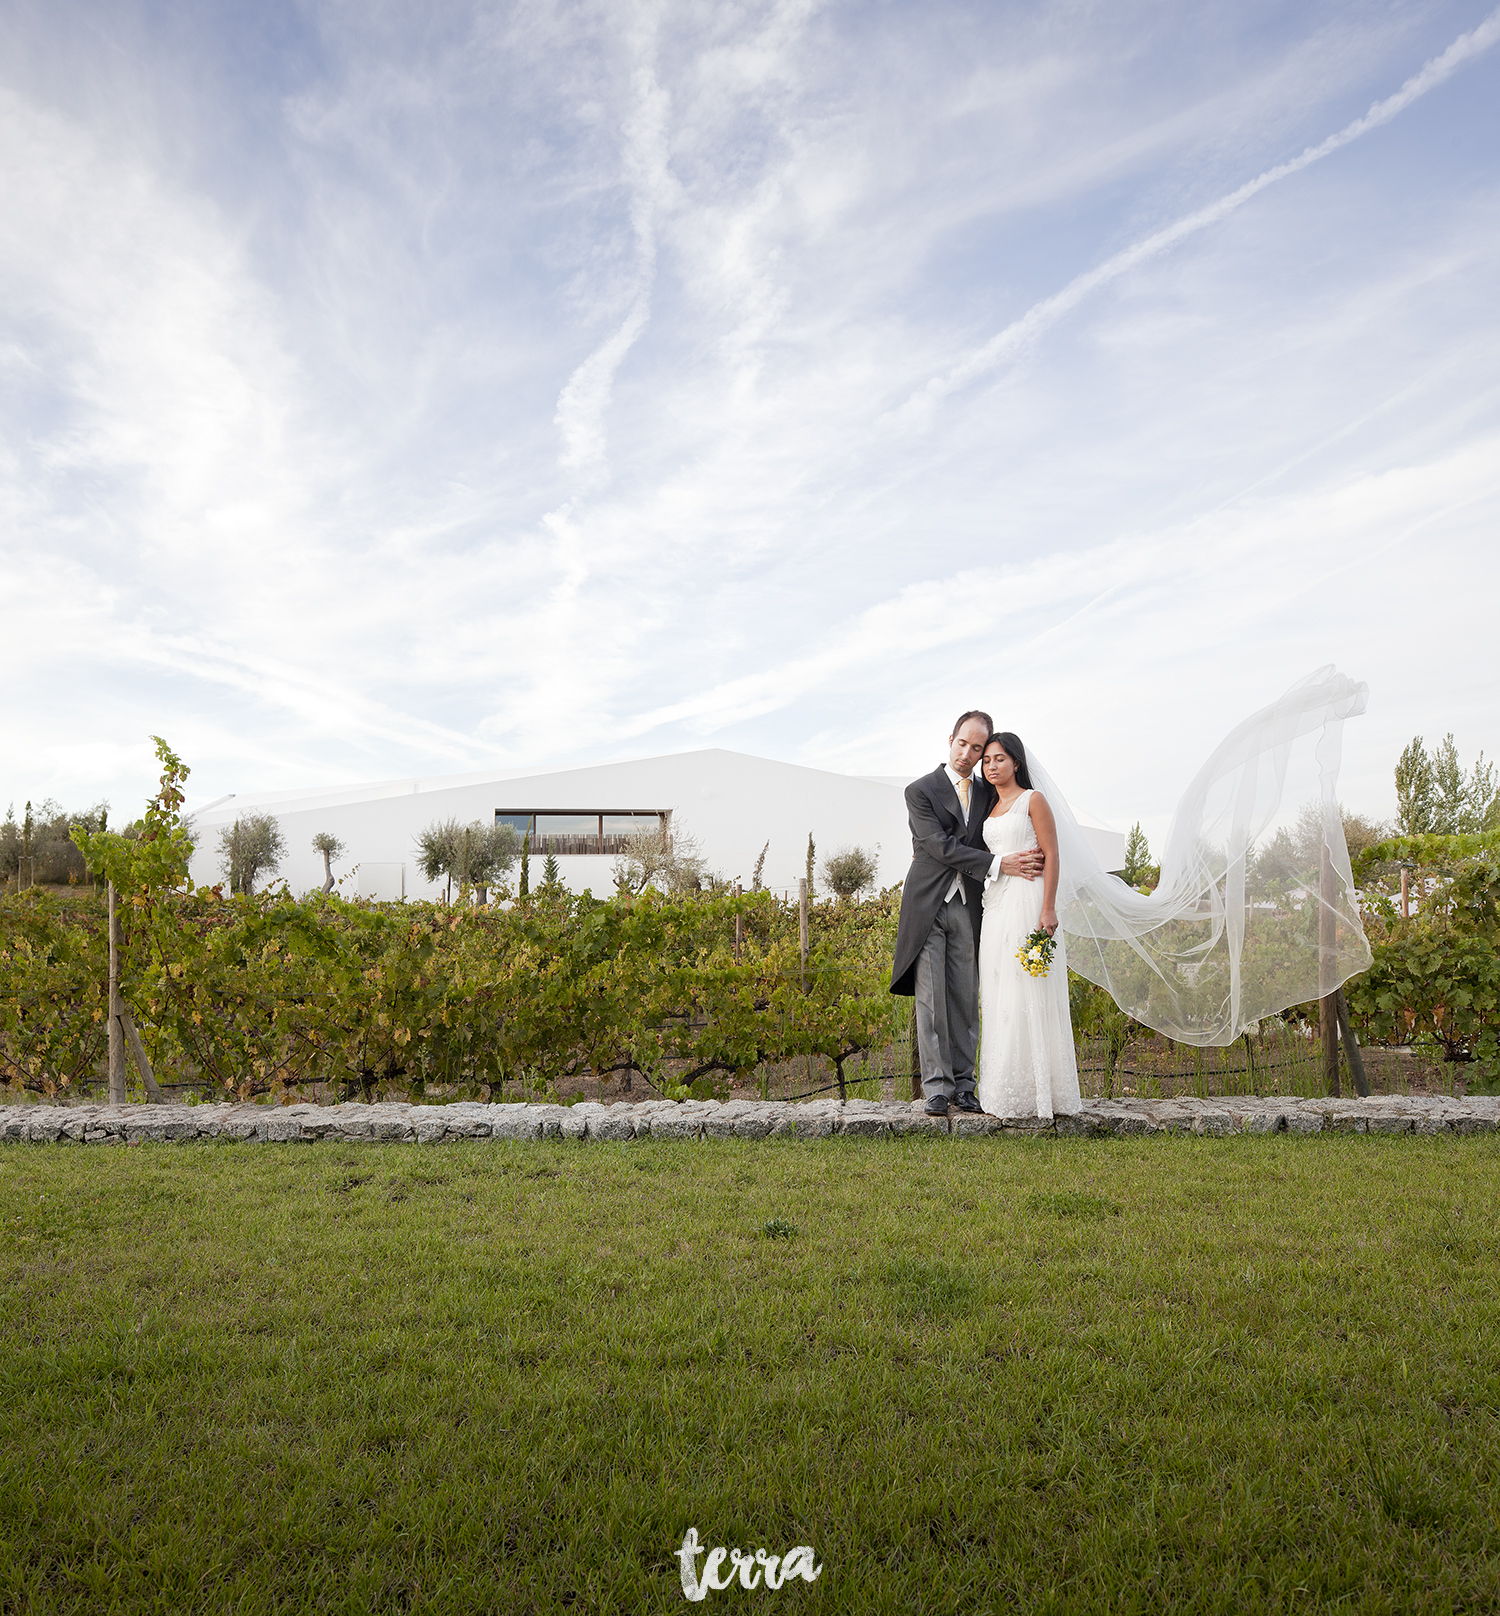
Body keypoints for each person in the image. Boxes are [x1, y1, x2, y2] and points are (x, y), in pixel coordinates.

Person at [890, 712, 1045, 1117]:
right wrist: (998, 863)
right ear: (951, 739)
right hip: (927, 905)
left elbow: (1008, 824)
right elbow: (937, 845)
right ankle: (936, 1088)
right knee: (931, 999)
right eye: (964, 744)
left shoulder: (989, 791)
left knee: (964, 995)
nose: (969, 753)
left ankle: (965, 1085)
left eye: (978, 748)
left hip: (970, 904)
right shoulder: (919, 790)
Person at [975, 731, 1082, 1119]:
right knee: (1000, 991)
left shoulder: (1032, 801)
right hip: (997, 905)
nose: (991, 766)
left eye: (999, 759)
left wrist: (1048, 908)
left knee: (1029, 989)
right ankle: (1003, 1090)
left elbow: (1052, 854)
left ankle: (1043, 1093)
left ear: (1016, 762)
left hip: (1029, 902)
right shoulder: (987, 810)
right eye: (986, 760)